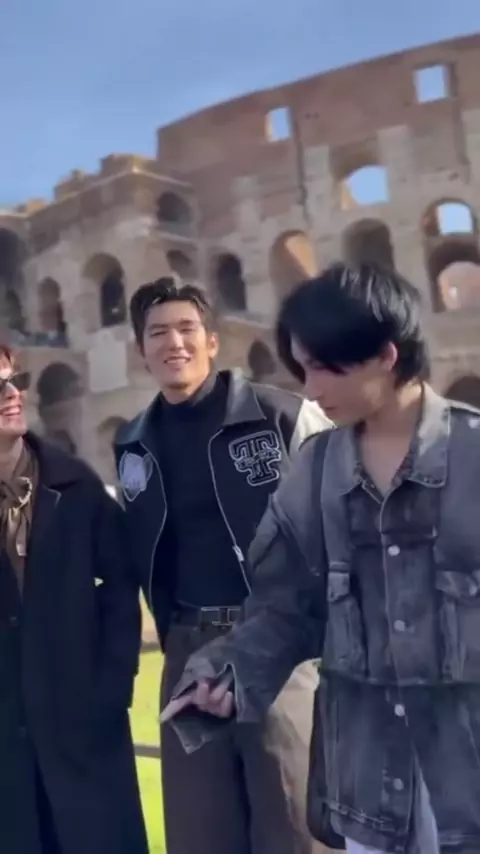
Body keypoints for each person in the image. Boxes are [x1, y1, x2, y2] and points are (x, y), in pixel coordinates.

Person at [162, 261, 480, 854]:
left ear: (385, 355)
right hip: (369, 789)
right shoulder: (315, 470)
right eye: (301, 369)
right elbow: (286, 605)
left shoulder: (472, 456)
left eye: (322, 368)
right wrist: (230, 672)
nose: (309, 390)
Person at [114, 277, 333, 854]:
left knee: (295, 825)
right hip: (189, 650)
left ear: (212, 341)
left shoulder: (284, 415)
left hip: (280, 646)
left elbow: (346, 521)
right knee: (201, 831)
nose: (174, 342)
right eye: (158, 332)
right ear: (141, 351)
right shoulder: (133, 444)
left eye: (187, 328)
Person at [0, 344, 148, 854]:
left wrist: (112, 688)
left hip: (84, 726)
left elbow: (121, 584)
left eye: (14, 381)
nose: (12, 395)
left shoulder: (76, 485)